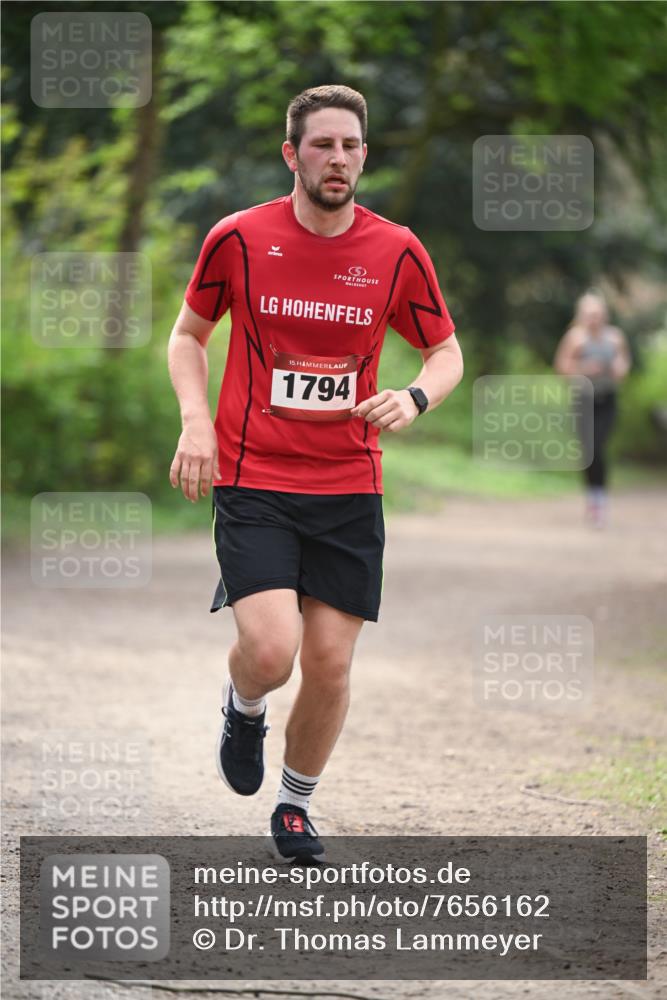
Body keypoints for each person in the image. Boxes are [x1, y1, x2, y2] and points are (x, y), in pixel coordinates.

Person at [167, 84, 463, 862]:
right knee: (272, 652)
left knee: (329, 662)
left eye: (352, 146)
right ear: (292, 154)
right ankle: (243, 705)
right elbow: (187, 337)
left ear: (364, 155)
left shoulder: (395, 250)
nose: (339, 158)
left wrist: (414, 395)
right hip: (253, 474)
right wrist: (196, 422)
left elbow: (446, 351)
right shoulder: (237, 238)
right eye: (323, 144)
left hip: (347, 485)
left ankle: (294, 806)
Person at [554, 290, 631, 527]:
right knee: (589, 452)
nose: (594, 319)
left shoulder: (615, 337)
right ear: (581, 316)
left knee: (599, 447)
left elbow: (624, 362)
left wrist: (620, 368)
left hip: (608, 400)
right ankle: (593, 496)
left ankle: (599, 500)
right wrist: (584, 367)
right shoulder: (575, 338)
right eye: (589, 314)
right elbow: (561, 367)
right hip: (583, 400)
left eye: (597, 314)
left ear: (604, 315)